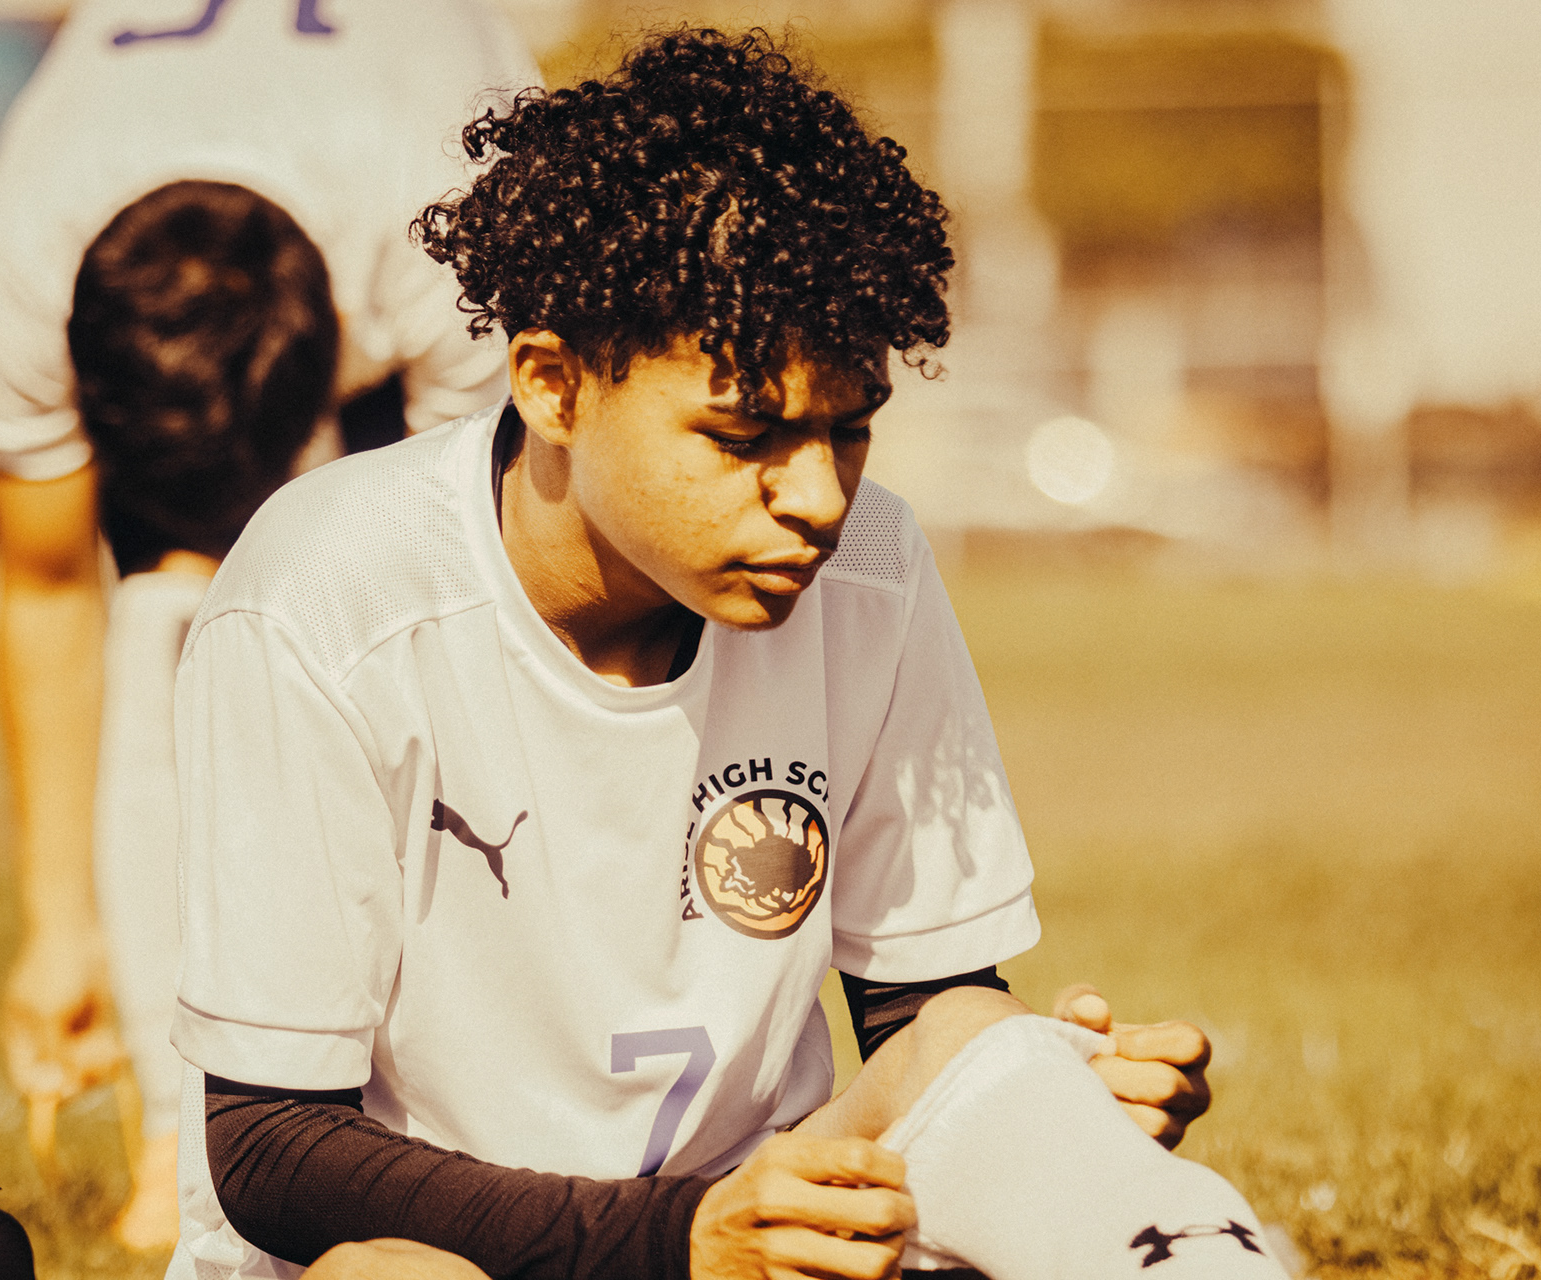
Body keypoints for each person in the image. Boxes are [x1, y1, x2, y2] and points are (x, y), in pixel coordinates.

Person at [170, 28, 1289, 1280]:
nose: (818, 496)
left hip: (756, 1238)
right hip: (457, 1251)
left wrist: (1043, 1110)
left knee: (995, 1055)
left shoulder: (871, 565)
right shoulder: (327, 594)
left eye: (849, 429)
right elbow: (269, 1142)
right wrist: (679, 1240)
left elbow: (925, 1011)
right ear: (552, 384)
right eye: (746, 434)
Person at [0, 0, 538, 1248]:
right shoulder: (14, 265)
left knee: (395, 652)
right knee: (170, 612)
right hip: (270, 207)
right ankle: (186, 1124)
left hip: (413, 222)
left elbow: (478, 611)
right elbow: (50, 589)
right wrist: (59, 932)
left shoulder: (451, 239)